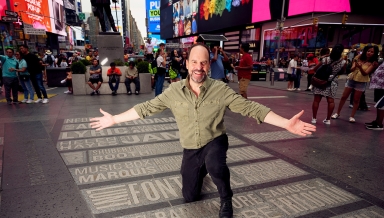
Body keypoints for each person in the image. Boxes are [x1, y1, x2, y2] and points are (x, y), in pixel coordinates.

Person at [89, 44, 316, 218]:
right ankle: (202, 170)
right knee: (190, 196)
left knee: (216, 165)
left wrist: (286, 123)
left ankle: (226, 199)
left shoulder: (220, 89)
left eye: (204, 63)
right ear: (187, 64)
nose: (199, 67)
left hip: (214, 139)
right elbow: (146, 108)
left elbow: (250, 108)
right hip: (190, 147)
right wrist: (115, 120)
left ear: (209, 65)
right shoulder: (174, 91)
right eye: (195, 62)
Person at [332, 45, 379, 123]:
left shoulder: (374, 63)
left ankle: (352, 116)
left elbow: (365, 73)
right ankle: (337, 113)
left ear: (375, 53)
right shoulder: (359, 57)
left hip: (361, 81)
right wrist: (355, 65)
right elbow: (351, 69)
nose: (369, 53)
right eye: (368, 51)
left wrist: (360, 67)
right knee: (344, 97)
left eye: (372, 52)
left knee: (356, 100)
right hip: (352, 79)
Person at [311, 44, 346, 125]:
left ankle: (314, 119)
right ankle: (328, 120)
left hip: (320, 81)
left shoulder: (325, 59)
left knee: (317, 100)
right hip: (332, 82)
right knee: (330, 101)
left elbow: (314, 69)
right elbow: (343, 71)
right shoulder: (343, 62)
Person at [366, 61, 384, 130]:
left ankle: (379, 124)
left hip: (382, 86)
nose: (382, 52)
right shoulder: (382, 61)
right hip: (379, 85)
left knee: (381, 105)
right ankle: (377, 121)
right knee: (378, 104)